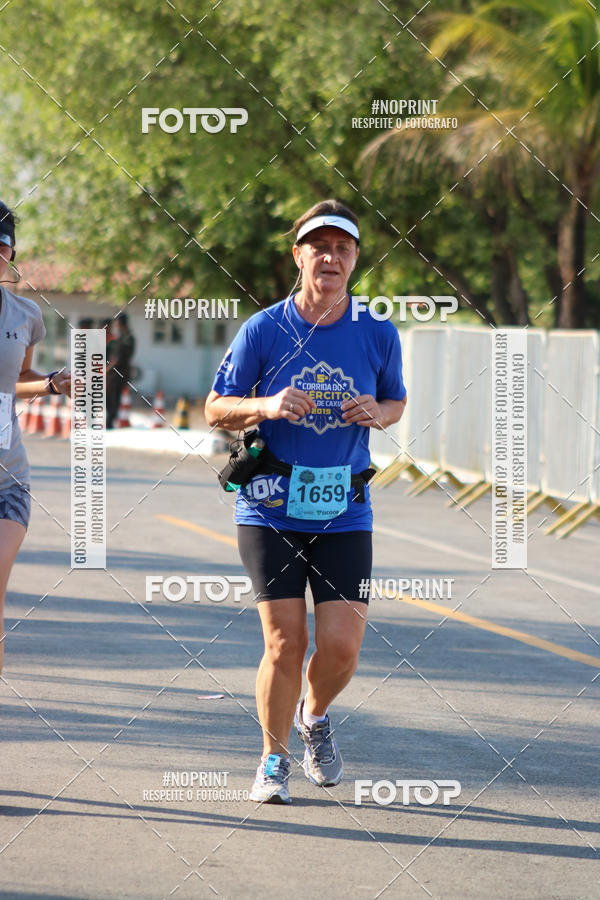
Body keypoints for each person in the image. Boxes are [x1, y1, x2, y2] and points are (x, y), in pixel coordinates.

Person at [205, 199, 407, 803]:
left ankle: (312, 716)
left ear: (354, 261)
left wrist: (380, 413)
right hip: (269, 502)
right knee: (285, 642)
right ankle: (272, 759)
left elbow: (396, 401)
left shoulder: (377, 331)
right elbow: (216, 407)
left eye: (342, 248)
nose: (331, 257)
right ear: (299, 257)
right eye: (319, 247)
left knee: (342, 647)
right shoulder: (264, 329)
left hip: (344, 505)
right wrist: (265, 406)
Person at [0, 200, 70, 676]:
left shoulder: (25, 314)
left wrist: (49, 383)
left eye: (0, 244)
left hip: (8, 481)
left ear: (10, 253)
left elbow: (19, 377)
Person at [106, 312, 135, 428]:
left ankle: (111, 422)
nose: (116, 326)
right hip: (112, 374)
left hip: (119, 374)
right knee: (110, 398)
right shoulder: (120, 338)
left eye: (118, 324)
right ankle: (110, 421)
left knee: (114, 398)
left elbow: (119, 359)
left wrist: (106, 370)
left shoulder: (128, 338)